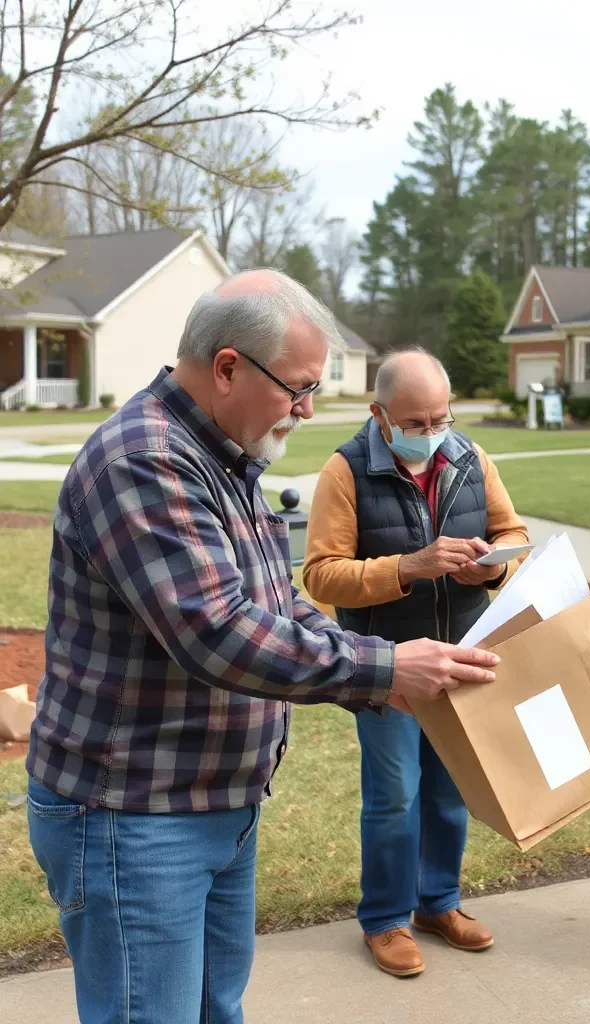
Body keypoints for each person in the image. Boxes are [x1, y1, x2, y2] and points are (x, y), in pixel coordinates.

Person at [25, 271, 499, 1024]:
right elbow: (216, 633)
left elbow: (272, 605)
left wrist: (388, 667)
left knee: (216, 1009)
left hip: (211, 801)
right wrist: (383, 667)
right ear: (226, 367)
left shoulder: (224, 456)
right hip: (133, 816)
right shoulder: (144, 460)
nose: (308, 409)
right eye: (299, 388)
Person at [303, 348, 530, 978]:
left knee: (450, 789)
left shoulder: (470, 457)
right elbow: (322, 574)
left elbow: (514, 533)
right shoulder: (344, 471)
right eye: (416, 423)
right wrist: (411, 565)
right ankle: (386, 919)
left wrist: (495, 561)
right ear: (379, 414)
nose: (430, 434)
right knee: (394, 796)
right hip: (388, 667)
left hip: (459, 658)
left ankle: (439, 903)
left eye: (440, 419)